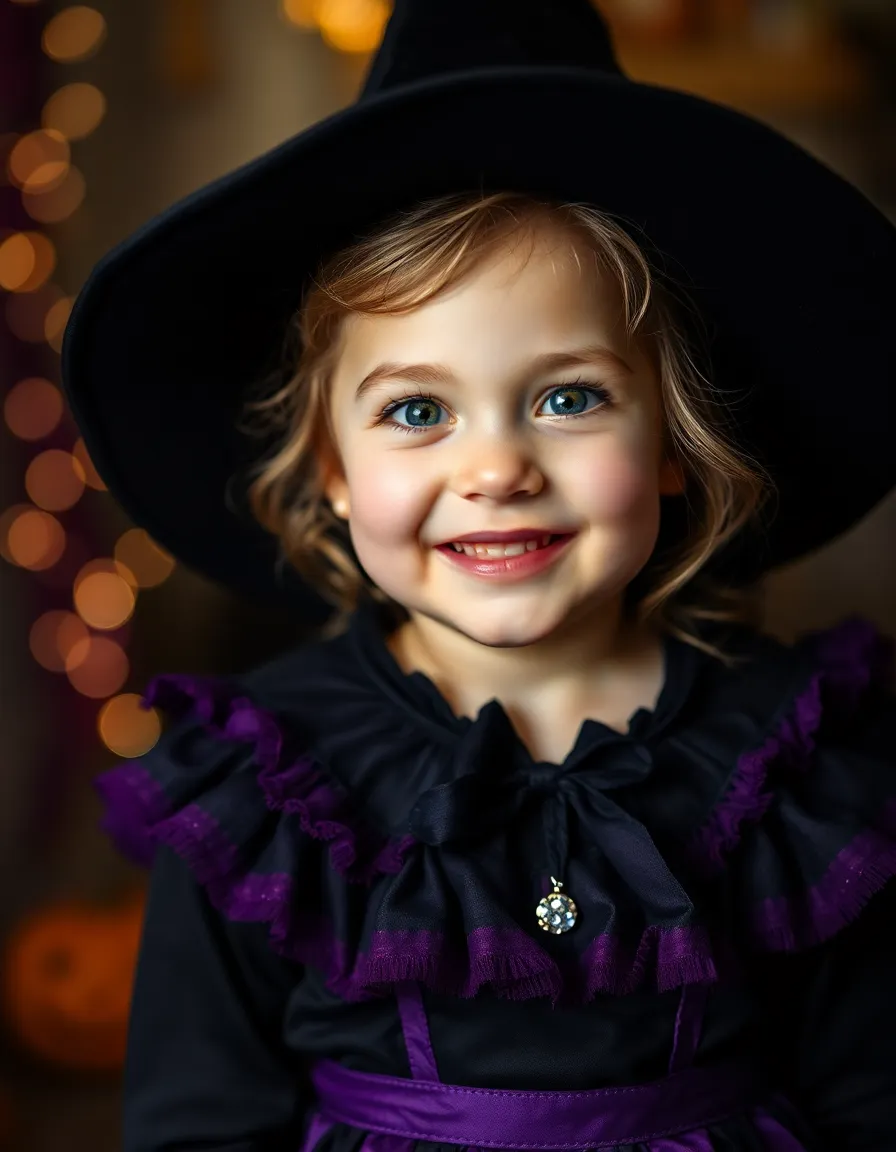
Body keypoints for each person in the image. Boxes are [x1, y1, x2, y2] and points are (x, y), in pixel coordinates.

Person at [61, 1, 896, 1149]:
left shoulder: (796, 762)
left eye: (568, 398)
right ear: (332, 473)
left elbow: (869, 1098)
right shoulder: (260, 784)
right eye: (415, 411)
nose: (496, 467)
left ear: (668, 447)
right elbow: (196, 1120)